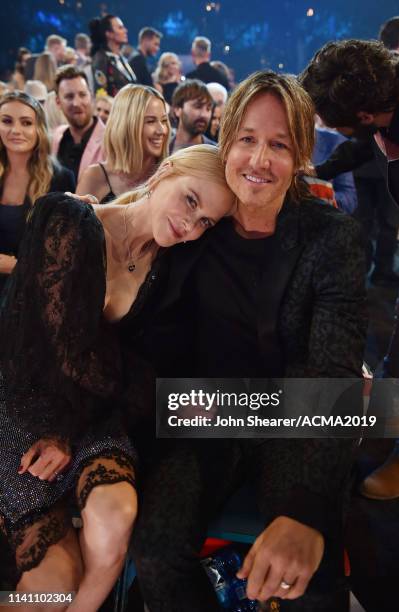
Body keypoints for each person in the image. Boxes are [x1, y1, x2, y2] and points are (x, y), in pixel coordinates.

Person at [131, 70, 367, 611]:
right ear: (226, 140)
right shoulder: (197, 223)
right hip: (208, 416)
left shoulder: (334, 239)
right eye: (247, 140)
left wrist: (304, 507)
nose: (260, 160)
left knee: (309, 574)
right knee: (156, 548)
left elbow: (331, 373)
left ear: (302, 154)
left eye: (279, 144)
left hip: (298, 417)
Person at [0, 143, 235, 609]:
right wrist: (68, 426)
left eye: (206, 220)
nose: (191, 225)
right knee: (55, 582)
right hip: (26, 404)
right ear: (166, 170)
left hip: (99, 416)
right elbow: (54, 349)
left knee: (116, 519)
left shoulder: (169, 268)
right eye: (191, 200)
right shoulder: (66, 218)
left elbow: (145, 367)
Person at [300, 39, 399, 499]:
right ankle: (385, 422)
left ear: (363, 113)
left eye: (329, 122)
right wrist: (316, 170)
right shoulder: (380, 111)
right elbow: (360, 148)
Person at [0, 91, 74, 296]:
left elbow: (65, 257)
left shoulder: (61, 179)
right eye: (7, 121)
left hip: (36, 298)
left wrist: (15, 266)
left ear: (39, 129)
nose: (15, 130)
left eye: (26, 123)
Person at [77, 85, 169, 203]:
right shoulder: (94, 177)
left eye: (164, 121)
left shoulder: (170, 177)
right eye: (150, 121)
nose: (162, 130)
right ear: (126, 126)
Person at [52, 65, 105, 183]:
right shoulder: (55, 137)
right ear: (58, 102)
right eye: (69, 96)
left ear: (91, 96)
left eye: (82, 94)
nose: (76, 103)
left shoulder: (112, 141)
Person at [89, 13, 137, 97]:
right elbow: (100, 92)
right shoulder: (101, 58)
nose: (125, 30)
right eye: (120, 28)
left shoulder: (121, 58)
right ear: (109, 34)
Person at [170, 79, 215, 152]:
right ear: (178, 109)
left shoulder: (217, 155)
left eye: (208, 109)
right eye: (198, 106)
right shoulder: (160, 150)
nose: (204, 115)